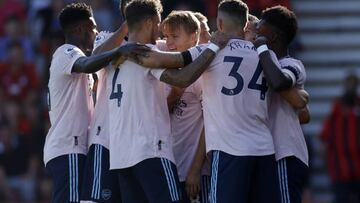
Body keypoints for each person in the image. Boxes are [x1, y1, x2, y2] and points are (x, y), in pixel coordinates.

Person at [137, 0, 281, 202]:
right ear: (245, 25)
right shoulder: (264, 55)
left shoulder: (210, 51)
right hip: (265, 148)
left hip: (229, 150)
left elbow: (168, 62)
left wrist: (129, 52)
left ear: (219, 23)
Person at [107, 1, 230, 202]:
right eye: (157, 23)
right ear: (148, 22)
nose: (159, 29)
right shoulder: (144, 53)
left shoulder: (114, 57)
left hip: (121, 156)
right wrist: (213, 47)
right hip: (150, 151)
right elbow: (182, 79)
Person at [43, 3, 148, 203]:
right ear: (79, 29)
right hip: (69, 146)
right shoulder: (66, 52)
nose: (97, 31)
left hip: (76, 146)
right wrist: (121, 51)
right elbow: (87, 64)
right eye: (93, 27)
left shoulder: (76, 57)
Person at [254, 5, 310, 203]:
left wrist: (261, 47)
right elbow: (304, 112)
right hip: (267, 153)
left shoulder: (291, 64)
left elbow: (278, 82)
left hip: (285, 153)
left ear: (274, 36)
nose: (256, 33)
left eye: (260, 29)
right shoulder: (259, 63)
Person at [161, 10, 210, 203]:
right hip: (167, 167)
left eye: (175, 36)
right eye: (166, 37)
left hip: (192, 174)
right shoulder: (162, 67)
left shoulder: (203, 76)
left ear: (193, 37)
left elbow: (209, 124)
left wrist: (196, 170)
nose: (169, 43)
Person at [321, 74, 360, 203]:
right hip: (340, 170)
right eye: (348, 84)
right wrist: (328, 166)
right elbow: (325, 139)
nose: (351, 88)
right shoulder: (336, 109)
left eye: (353, 85)